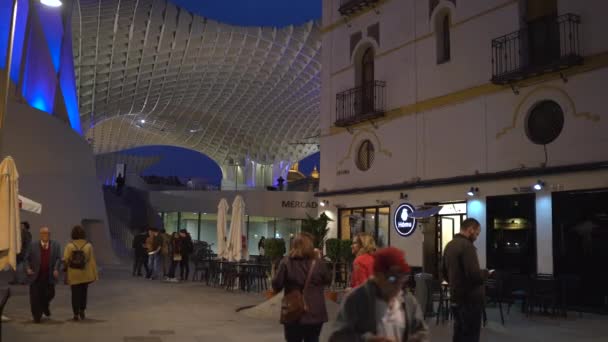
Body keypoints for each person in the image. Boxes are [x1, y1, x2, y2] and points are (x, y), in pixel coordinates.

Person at [329, 247, 429, 342]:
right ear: (378, 275)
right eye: (392, 278)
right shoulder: (356, 300)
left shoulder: (408, 301)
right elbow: (337, 337)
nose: (398, 285)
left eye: (403, 278)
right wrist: (366, 340)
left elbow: (421, 332)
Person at [272, 232, 331, 342]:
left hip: (293, 310)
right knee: (313, 338)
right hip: (315, 311)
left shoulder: (286, 262)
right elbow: (328, 280)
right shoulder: (319, 263)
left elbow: (277, 284)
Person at [442, 218, 489, 342]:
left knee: (459, 334)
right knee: (471, 336)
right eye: (477, 233)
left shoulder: (449, 245)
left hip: (455, 297)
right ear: (470, 229)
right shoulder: (467, 246)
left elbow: (443, 272)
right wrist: (486, 273)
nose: (477, 237)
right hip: (470, 301)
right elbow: (475, 276)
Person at [26, 227, 62, 323]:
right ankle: (36, 316)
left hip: (49, 276)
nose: (45, 235)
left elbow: (59, 258)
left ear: (49, 235)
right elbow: (26, 259)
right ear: (40, 235)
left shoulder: (56, 245)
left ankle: (45, 306)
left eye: (47, 233)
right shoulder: (32, 245)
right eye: (43, 233)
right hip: (36, 276)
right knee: (35, 297)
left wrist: (56, 269)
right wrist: (28, 268)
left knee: (50, 294)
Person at [63, 225, 98, 321]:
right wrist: (95, 274)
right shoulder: (88, 245)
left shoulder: (69, 246)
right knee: (83, 292)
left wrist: (64, 270)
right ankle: (82, 310)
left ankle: (75, 313)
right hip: (85, 273)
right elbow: (92, 261)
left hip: (73, 274)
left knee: (75, 294)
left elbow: (65, 259)